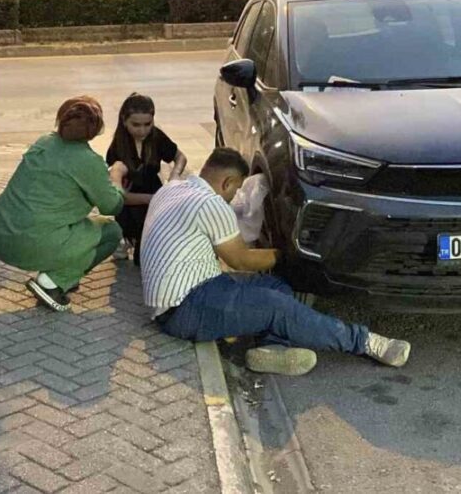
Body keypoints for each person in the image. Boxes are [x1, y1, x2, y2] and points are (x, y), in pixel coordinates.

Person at [141, 148, 411, 376]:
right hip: (183, 309)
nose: (234, 197)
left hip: (188, 292)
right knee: (276, 305)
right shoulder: (211, 205)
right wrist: (285, 254)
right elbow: (241, 260)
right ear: (227, 182)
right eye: (235, 190)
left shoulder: (174, 188)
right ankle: (365, 342)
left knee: (275, 286)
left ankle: (273, 349)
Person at [0, 97, 128, 312]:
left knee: (75, 226)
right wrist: (117, 176)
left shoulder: (44, 142)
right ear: (96, 129)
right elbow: (112, 206)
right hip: (31, 244)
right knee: (110, 231)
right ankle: (53, 282)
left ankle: (67, 271)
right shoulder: (89, 161)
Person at [106, 94, 187, 265]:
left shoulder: (156, 137)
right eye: (136, 125)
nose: (142, 131)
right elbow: (119, 194)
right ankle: (127, 238)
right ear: (124, 121)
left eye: (147, 124)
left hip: (152, 191)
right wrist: (155, 199)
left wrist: (175, 175)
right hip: (130, 200)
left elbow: (179, 156)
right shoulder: (117, 148)